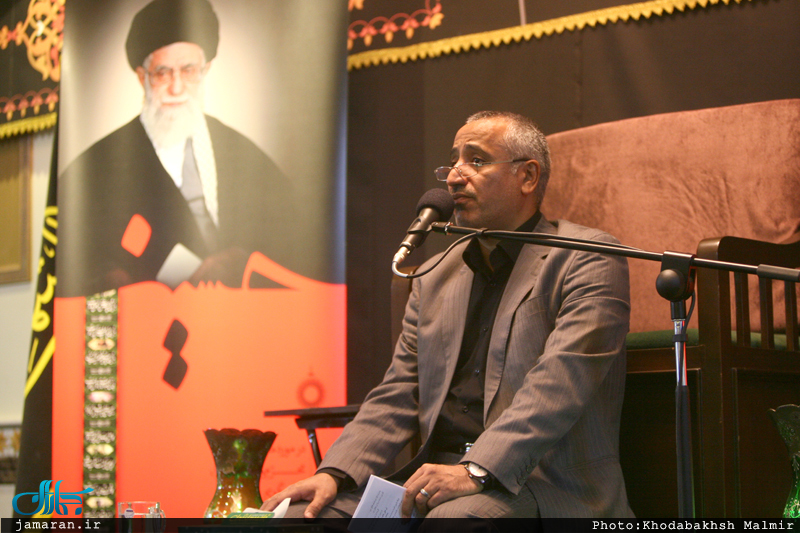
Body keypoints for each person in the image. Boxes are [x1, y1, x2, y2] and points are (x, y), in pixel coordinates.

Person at [262, 111, 634, 521]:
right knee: (299, 518)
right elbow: (398, 392)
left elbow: (559, 385)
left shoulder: (587, 257)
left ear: (527, 177)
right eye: (453, 161)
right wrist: (334, 473)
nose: (455, 177)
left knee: (454, 520)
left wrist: (475, 469)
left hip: (541, 485)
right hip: (434, 480)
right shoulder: (434, 275)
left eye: (476, 160)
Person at [58, 0, 296, 297]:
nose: (176, 88)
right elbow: (82, 260)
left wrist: (241, 259)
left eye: (188, 70)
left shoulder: (242, 154)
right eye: (163, 73)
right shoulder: (95, 169)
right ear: (142, 77)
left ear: (205, 71)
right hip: (150, 316)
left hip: (239, 313)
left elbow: (291, 234)